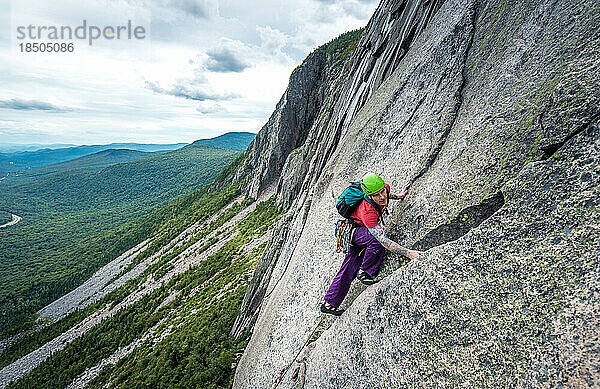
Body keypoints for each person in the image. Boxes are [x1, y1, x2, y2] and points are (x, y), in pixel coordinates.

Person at [321, 173, 422, 316]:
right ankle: (365, 272)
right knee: (376, 240)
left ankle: (329, 303)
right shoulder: (367, 211)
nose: (381, 197)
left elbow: (386, 194)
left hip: (357, 230)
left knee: (349, 265)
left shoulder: (383, 188)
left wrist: (399, 196)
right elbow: (383, 240)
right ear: (369, 195)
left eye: (382, 192)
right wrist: (409, 253)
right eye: (376, 195)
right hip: (353, 231)